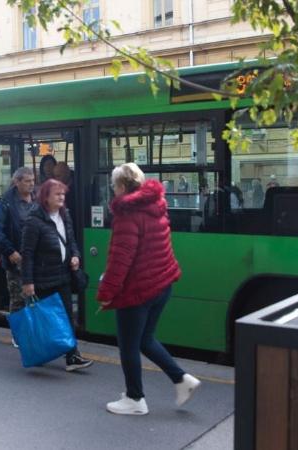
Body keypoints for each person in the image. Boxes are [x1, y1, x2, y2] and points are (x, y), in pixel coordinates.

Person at [97, 163, 200, 416]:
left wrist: (106, 293)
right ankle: (182, 379)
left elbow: (120, 260)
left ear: (121, 186)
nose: (113, 190)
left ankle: (135, 399)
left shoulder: (127, 214)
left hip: (137, 291)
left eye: (114, 186)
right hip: (161, 285)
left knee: (129, 345)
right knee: (145, 339)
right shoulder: (158, 208)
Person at [21, 179, 93, 371]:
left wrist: (76, 256)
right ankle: (39, 352)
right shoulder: (34, 220)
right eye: (57, 194)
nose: (62, 197)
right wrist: (27, 282)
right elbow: (27, 254)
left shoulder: (64, 215)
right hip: (43, 279)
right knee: (45, 319)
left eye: (63, 194)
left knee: (67, 317)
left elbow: (71, 241)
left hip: (63, 276)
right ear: (46, 197)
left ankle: (72, 357)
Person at [0, 167, 35, 319]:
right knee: (19, 300)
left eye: (33, 180)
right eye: (27, 181)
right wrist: (10, 252)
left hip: (36, 260)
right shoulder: (5, 204)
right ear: (17, 182)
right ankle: (19, 335)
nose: (31, 184)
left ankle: (33, 334)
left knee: (36, 298)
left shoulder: (37, 200)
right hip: (16, 261)